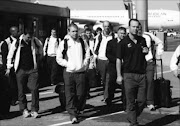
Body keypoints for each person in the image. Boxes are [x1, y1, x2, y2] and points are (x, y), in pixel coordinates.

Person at [116, 19, 148, 126]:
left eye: (137, 27)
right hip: (128, 75)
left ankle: (131, 116)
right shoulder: (123, 43)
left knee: (142, 101)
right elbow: (118, 60)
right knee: (130, 101)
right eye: (133, 27)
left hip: (141, 75)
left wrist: (146, 50)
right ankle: (133, 122)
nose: (135, 29)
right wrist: (119, 75)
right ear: (129, 27)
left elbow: (145, 51)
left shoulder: (142, 40)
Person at [56, 23, 90, 124]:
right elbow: (58, 58)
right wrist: (68, 64)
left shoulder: (82, 42)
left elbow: (88, 53)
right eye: (73, 31)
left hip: (80, 72)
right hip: (69, 73)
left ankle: (77, 109)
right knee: (69, 94)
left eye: (76, 31)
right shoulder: (64, 43)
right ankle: (72, 114)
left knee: (81, 94)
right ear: (69, 32)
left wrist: (84, 64)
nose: (75, 33)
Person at [6, 28, 43, 118]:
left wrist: (40, 56)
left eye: (31, 37)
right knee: (21, 90)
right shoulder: (17, 42)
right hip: (20, 69)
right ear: (24, 35)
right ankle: (24, 109)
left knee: (34, 89)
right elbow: (10, 54)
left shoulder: (34, 40)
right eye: (28, 37)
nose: (29, 39)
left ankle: (34, 110)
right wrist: (9, 67)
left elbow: (40, 46)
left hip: (32, 69)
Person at [138, 24, 164, 111]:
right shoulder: (131, 37)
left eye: (139, 28)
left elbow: (159, 42)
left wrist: (159, 52)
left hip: (149, 62)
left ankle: (150, 102)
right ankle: (139, 101)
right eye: (136, 27)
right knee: (139, 83)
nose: (138, 29)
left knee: (149, 81)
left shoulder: (148, 35)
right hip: (137, 64)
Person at [106, 27, 126, 106]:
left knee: (125, 84)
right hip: (113, 66)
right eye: (121, 33)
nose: (122, 35)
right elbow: (108, 54)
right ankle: (109, 98)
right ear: (117, 33)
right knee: (111, 83)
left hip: (124, 66)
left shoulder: (127, 43)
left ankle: (124, 100)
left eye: (124, 33)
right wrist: (118, 60)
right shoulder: (111, 42)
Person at [1, 26, 19, 106]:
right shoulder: (6, 42)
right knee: (12, 84)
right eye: (16, 31)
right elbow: (4, 56)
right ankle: (13, 99)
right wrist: (6, 68)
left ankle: (16, 98)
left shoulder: (19, 40)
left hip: (17, 65)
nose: (18, 33)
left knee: (17, 83)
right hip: (10, 66)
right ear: (12, 32)